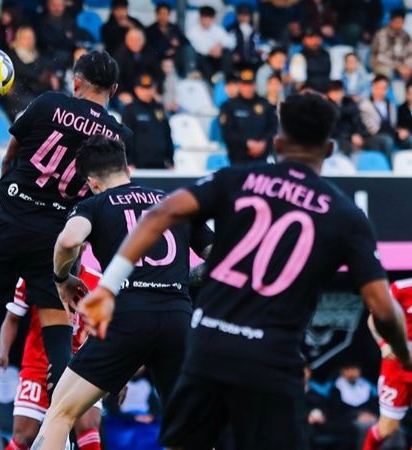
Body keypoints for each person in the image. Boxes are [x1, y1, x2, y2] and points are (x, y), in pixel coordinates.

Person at [81, 92, 412, 449]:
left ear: (277, 142)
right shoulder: (346, 215)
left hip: (209, 345)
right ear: (330, 149)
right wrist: (405, 355)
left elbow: (161, 215)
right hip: (272, 361)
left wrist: (108, 287)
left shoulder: (234, 179)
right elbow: (380, 304)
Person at [0, 50, 132, 450]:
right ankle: (59, 436)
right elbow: (107, 193)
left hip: (10, 222)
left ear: (75, 81)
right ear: (113, 90)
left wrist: (11, 194)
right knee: (57, 339)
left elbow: (11, 156)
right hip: (57, 237)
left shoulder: (47, 104)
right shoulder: (116, 136)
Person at [33, 134, 214, 449]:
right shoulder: (172, 201)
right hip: (177, 319)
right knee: (191, 429)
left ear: (92, 183)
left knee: (60, 412)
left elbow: (68, 241)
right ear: (126, 168)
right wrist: (184, 279)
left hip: (126, 318)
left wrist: (61, 276)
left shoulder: (94, 203)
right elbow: (220, 257)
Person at [0, 270, 104, 450]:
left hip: (81, 362)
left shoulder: (98, 281)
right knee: (23, 435)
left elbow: (107, 330)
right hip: (38, 363)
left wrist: (120, 373)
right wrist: (2, 352)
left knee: (88, 425)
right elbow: (12, 318)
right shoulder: (35, 271)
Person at [364, 278, 412, 449]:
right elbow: (374, 319)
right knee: (387, 428)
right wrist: (384, 345)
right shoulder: (400, 288)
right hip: (398, 366)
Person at [219, 69, 276, 165]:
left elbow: (273, 128)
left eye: (250, 85)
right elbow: (227, 132)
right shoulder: (229, 106)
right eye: (245, 85)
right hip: (238, 158)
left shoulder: (265, 105)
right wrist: (247, 143)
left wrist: (263, 143)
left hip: (261, 158)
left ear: (255, 86)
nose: (248, 88)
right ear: (240, 86)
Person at [6, 26, 60, 118]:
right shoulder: (11, 55)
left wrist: (51, 76)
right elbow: (21, 71)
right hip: (20, 94)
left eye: (31, 38)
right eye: (26, 38)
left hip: (38, 93)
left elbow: (48, 67)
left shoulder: (36, 56)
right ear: (18, 39)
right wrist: (39, 77)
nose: (29, 41)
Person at [122, 74, 174, 169]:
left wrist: (171, 160)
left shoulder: (160, 108)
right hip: (139, 165)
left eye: (150, 88)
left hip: (161, 163)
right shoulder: (130, 110)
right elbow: (126, 138)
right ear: (136, 89)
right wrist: (129, 162)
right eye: (143, 88)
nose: (147, 91)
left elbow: (167, 134)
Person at [144, 3, 192, 76]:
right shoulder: (150, 30)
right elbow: (148, 48)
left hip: (174, 59)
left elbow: (186, 42)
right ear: (157, 15)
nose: (163, 16)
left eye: (166, 14)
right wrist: (165, 52)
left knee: (189, 50)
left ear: (169, 15)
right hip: (158, 59)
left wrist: (177, 44)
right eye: (161, 14)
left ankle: (190, 74)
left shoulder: (174, 28)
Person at [113, 27, 158, 106]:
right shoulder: (120, 54)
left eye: (138, 40)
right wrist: (122, 93)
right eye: (132, 40)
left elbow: (156, 74)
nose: (135, 42)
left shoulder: (150, 53)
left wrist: (153, 91)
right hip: (126, 92)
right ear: (126, 41)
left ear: (143, 41)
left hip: (146, 90)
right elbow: (116, 77)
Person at [186, 6, 232, 82]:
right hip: (202, 59)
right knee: (201, 57)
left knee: (227, 52)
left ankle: (225, 77)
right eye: (205, 18)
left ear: (213, 19)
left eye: (210, 18)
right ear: (200, 18)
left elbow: (230, 41)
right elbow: (195, 47)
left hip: (216, 57)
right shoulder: (192, 31)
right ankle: (212, 79)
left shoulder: (217, 29)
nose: (207, 20)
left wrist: (220, 46)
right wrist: (209, 50)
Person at [358, 75, 396, 164]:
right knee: (387, 141)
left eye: (384, 88)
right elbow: (371, 129)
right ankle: (389, 169)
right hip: (371, 137)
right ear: (373, 87)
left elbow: (393, 124)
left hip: (389, 135)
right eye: (378, 87)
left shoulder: (390, 105)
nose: (381, 91)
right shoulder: (365, 105)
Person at [36, 0, 80, 72]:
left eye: (59, 5)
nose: (57, 8)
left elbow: (73, 41)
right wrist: (65, 37)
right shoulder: (40, 21)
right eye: (54, 5)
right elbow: (44, 40)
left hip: (67, 58)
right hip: (47, 57)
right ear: (48, 5)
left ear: (64, 6)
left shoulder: (70, 20)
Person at [370, 8, 412, 82]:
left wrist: (407, 66)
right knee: (386, 72)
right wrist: (398, 67)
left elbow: (410, 54)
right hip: (382, 64)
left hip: (401, 65)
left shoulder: (406, 36)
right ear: (391, 21)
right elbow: (380, 56)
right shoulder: (382, 34)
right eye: (397, 22)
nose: (399, 25)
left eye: (401, 23)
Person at [327, 80, 366, 155]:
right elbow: (333, 129)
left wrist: (357, 133)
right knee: (346, 146)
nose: (338, 94)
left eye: (339, 91)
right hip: (338, 137)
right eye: (334, 91)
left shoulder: (350, 103)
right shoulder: (326, 106)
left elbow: (358, 121)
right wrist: (351, 136)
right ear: (329, 93)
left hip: (354, 136)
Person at [288, 29, 331, 93]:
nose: (315, 41)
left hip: (328, 93)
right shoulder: (299, 57)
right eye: (311, 38)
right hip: (308, 95)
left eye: (317, 37)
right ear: (304, 40)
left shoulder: (328, 54)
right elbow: (299, 84)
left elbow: (334, 78)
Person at [226, 4, 260, 72]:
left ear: (250, 16)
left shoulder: (255, 30)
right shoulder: (231, 30)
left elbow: (256, 45)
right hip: (237, 61)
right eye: (241, 14)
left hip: (251, 61)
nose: (243, 17)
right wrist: (233, 54)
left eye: (246, 15)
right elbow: (228, 45)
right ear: (237, 16)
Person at [397, 81, 412, 149]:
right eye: (410, 93)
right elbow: (400, 128)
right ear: (406, 94)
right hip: (407, 139)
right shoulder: (401, 109)